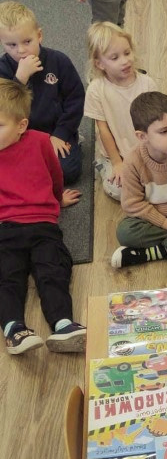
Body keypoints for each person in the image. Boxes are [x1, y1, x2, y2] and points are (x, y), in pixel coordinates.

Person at [0, 79, 86, 355]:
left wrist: (58, 198)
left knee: (53, 271)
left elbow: (55, 175)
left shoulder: (39, 141)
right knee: (7, 276)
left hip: (43, 224)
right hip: (5, 228)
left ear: (21, 125)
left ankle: (63, 324)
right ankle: (14, 329)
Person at [0, 0, 84, 184]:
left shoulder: (59, 61)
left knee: (67, 171)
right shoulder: (3, 69)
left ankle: (73, 140)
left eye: (27, 41)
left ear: (39, 35)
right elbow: (4, 110)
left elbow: (75, 100)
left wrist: (61, 133)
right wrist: (19, 80)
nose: (21, 50)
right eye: (11, 45)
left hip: (53, 132)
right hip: (18, 135)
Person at [111, 91, 167, 268]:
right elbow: (132, 204)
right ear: (142, 136)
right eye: (164, 131)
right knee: (125, 232)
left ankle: (154, 253)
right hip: (156, 219)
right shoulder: (133, 161)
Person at [84, 22, 157, 200]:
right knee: (118, 191)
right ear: (99, 64)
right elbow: (103, 130)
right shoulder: (96, 90)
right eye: (114, 58)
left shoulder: (147, 83)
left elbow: (156, 122)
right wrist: (117, 163)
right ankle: (103, 164)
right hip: (116, 153)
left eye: (127, 53)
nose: (125, 61)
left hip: (145, 149)